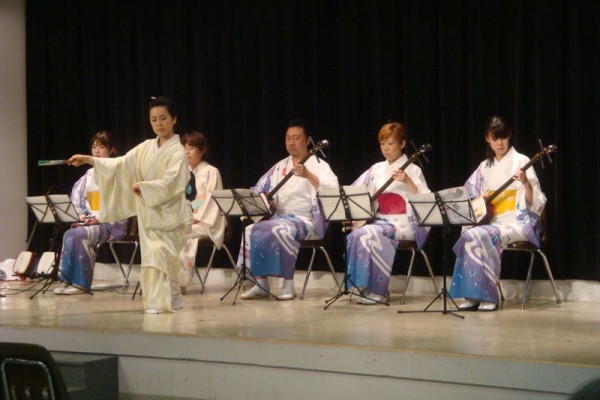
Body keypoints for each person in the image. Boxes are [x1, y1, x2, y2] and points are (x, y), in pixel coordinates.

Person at [67, 97, 192, 314]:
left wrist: (145, 187)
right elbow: (120, 163)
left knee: (161, 254)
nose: (159, 124)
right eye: (154, 119)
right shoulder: (145, 147)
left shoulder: (178, 152)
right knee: (154, 256)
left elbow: (173, 182)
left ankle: (162, 300)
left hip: (170, 214)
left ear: (174, 119)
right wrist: (89, 159)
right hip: (149, 212)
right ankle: (168, 297)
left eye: (163, 118)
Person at [449, 115, 546, 311]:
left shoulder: (521, 161)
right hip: (492, 220)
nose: (500, 143)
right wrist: (481, 198)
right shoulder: (484, 167)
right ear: (487, 138)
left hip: (517, 222)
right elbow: (469, 195)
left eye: (503, 137)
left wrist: (526, 183)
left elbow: (536, 200)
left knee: (485, 234)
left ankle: (488, 296)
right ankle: (471, 294)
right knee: (470, 233)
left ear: (509, 135)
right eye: (495, 138)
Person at [239, 119, 339, 300]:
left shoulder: (319, 165)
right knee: (250, 230)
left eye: (296, 138)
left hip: (307, 220)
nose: (291, 143)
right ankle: (260, 283)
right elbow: (259, 189)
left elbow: (332, 191)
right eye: (288, 138)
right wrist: (267, 204)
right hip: (281, 216)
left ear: (308, 140)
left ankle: (288, 283)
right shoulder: (280, 166)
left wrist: (309, 175)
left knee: (282, 230)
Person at [345, 122, 430, 304]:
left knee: (373, 233)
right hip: (381, 219)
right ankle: (362, 284)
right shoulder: (375, 169)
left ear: (402, 144)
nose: (386, 148)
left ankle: (379, 291)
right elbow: (356, 192)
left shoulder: (413, 170)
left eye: (390, 143)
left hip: (404, 222)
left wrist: (408, 182)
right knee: (357, 234)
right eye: (382, 144)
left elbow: (426, 201)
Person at [54, 131, 127, 295]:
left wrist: (97, 218)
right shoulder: (88, 175)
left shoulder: (116, 172)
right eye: (94, 147)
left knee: (80, 235)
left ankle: (81, 283)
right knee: (69, 233)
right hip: (91, 221)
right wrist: (80, 217)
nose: (97, 151)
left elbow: (118, 202)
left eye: (102, 147)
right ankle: (67, 279)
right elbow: (79, 199)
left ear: (112, 150)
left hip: (111, 223)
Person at [178, 131, 226, 294]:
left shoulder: (211, 172)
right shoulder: (182, 173)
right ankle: (167, 279)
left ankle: (180, 283)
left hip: (207, 222)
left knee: (181, 234)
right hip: (187, 219)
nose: (187, 152)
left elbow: (213, 199)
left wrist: (196, 218)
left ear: (202, 150)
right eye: (185, 148)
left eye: (191, 148)